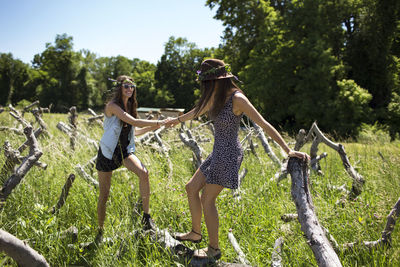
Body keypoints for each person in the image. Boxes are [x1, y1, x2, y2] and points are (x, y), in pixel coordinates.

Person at [166, 59, 309, 260]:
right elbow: (195, 112)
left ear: (218, 80)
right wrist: (175, 120)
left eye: (207, 82)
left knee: (208, 200)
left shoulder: (237, 99)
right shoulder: (215, 97)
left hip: (229, 153)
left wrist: (288, 150)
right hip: (218, 151)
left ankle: (213, 249)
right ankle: (196, 233)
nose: (205, 87)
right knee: (191, 188)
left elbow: (264, 123)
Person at [95, 75, 169, 243]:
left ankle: (146, 217)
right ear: (120, 87)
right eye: (126, 86)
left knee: (144, 173)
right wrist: (158, 122)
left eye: (132, 86)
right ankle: (100, 232)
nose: (130, 89)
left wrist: (155, 126)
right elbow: (134, 121)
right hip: (108, 153)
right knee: (104, 196)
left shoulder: (131, 105)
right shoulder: (113, 106)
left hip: (125, 151)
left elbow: (133, 131)